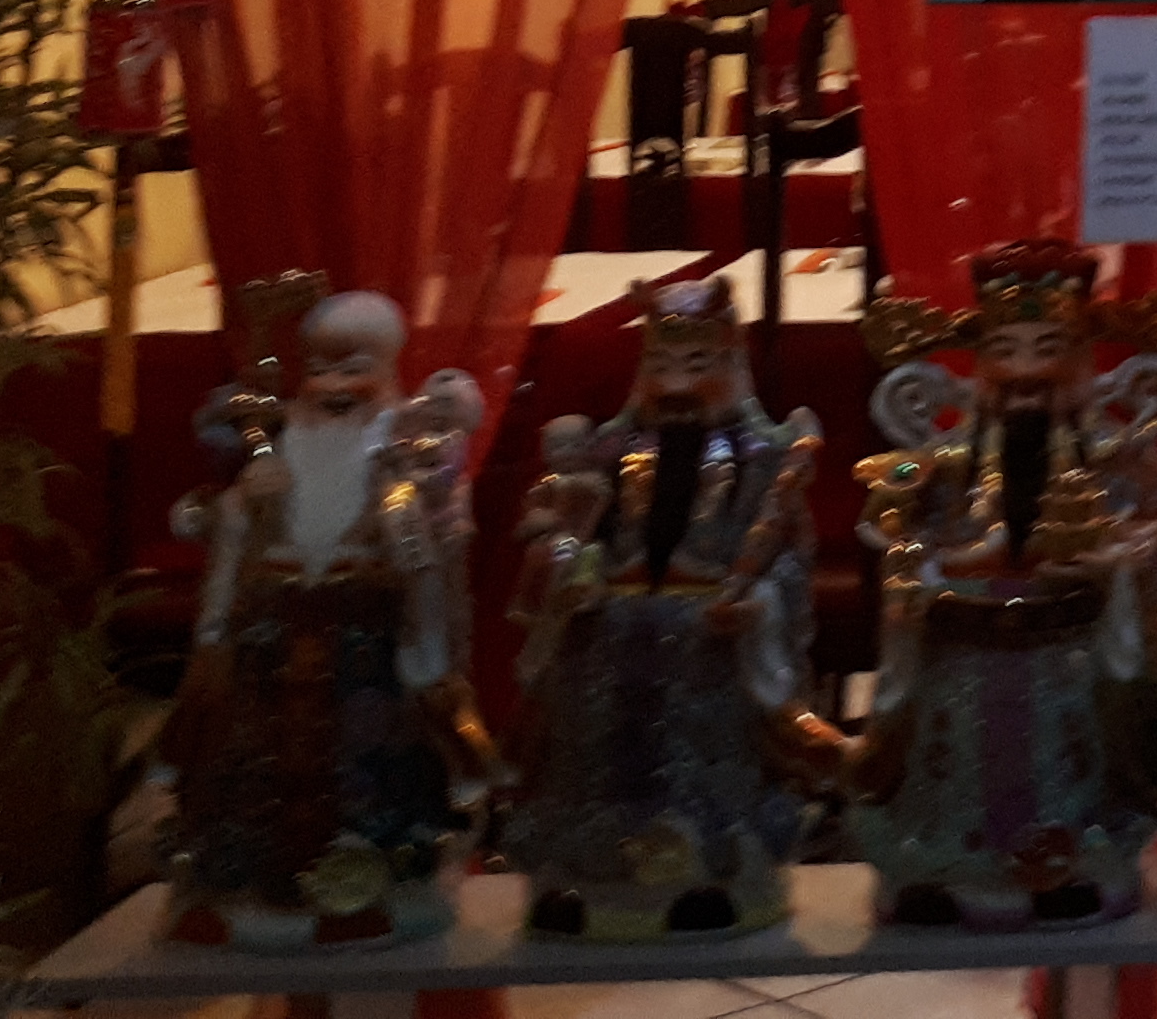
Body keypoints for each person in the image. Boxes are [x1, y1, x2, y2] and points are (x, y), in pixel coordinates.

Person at [846, 238, 1157, 925]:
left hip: (1067, 636)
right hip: (963, 631)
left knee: (1067, 754)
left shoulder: (1107, 447)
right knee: (952, 753)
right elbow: (900, 502)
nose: (1026, 371)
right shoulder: (953, 451)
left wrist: (1118, 556)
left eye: (1048, 350)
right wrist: (906, 529)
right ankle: (940, 861)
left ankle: (1077, 861)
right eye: (1006, 351)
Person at [505, 273, 845, 937]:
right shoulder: (607, 449)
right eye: (662, 363)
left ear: (728, 362)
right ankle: (585, 877)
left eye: (698, 362)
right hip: (605, 631)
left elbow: (786, 556)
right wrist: (561, 558)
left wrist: (758, 604)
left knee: (712, 759)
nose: (678, 380)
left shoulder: (764, 454)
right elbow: (565, 534)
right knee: (588, 756)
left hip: (711, 635)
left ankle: (718, 874)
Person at [157, 282, 494, 949]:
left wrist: (417, 526)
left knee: (373, 759)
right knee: (246, 756)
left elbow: (436, 543)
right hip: (269, 629)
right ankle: (235, 883)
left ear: (387, 370)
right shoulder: (277, 438)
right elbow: (220, 513)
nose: (334, 387)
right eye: (319, 369)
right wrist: (236, 510)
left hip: (366, 634)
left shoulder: (404, 445)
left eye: (353, 368)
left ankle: (381, 880)